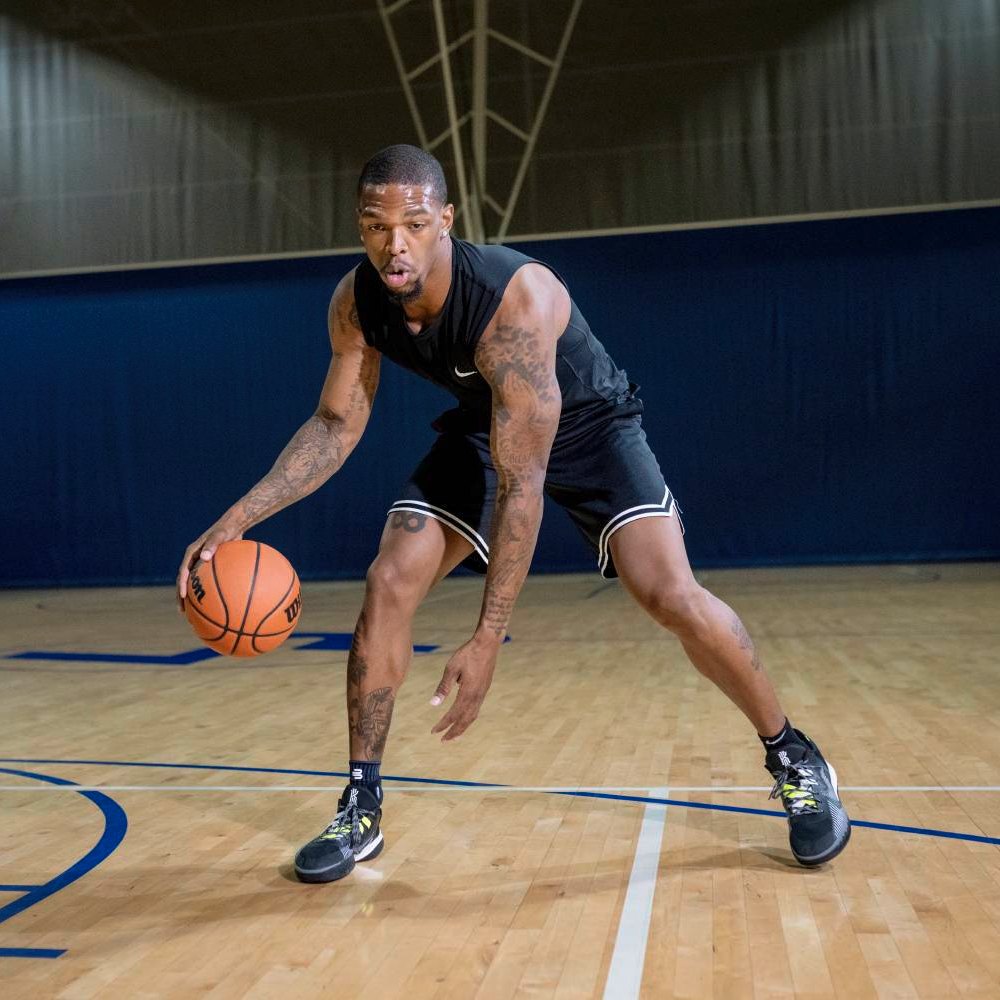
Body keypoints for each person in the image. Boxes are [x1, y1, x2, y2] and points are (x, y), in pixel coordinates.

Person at [177, 144, 850, 883]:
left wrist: (488, 636)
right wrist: (239, 516)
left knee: (670, 595)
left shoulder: (510, 300)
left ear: (446, 222)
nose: (394, 242)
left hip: (590, 426)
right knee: (389, 579)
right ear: (360, 226)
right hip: (487, 421)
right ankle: (361, 802)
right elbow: (336, 426)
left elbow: (523, 484)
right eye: (376, 225)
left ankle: (793, 755)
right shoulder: (358, 301)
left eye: (414, 222)